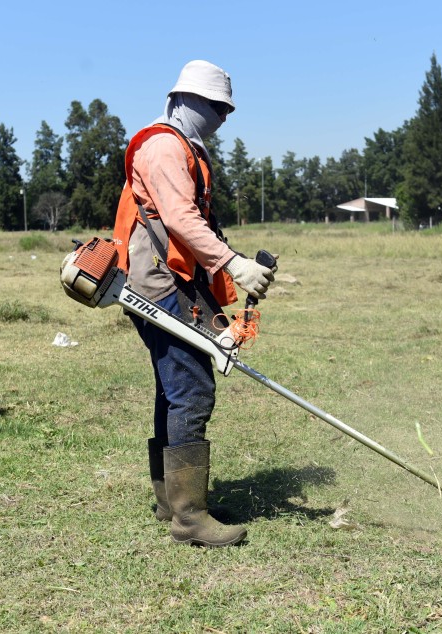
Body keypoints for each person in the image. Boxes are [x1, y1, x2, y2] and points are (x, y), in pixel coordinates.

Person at [112, 60, 275, 548]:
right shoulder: (165, 146)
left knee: (173, 387)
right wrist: (235, 264)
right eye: (214, 106)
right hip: (159, 283)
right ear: (184, 100)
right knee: (191, 389)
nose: (222, 116)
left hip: (164, 279)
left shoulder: (184, 147)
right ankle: (189, 516)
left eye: (226, 108)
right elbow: (180, 218)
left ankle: (171, 502)